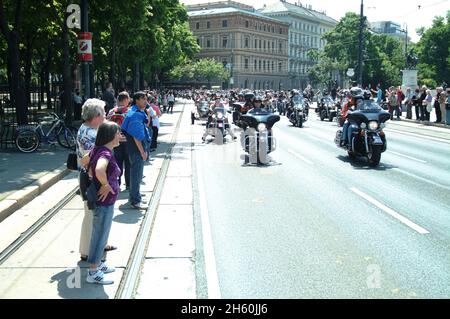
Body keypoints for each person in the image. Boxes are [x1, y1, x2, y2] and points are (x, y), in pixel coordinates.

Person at [76, 99, 115, 262]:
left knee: (92, 215)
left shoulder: (87, 128)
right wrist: (104, 184)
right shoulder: (91, 134)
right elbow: (94, 160)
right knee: (94, 216)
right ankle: (89, 252)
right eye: (104, 113)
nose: (106, 115)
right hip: (94, 180)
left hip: (91, 178)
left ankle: (98, 245)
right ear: (97, 115)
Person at [86, 121, 121, 285]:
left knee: (102, 234)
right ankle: (93, 271)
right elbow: (99, 169)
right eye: (118, 132)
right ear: (110, 136)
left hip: (104, 201)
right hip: (104, 202)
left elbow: (84, 162)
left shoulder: (98, 149)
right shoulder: (105, 154)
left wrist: (94, 177)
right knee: (99, 236)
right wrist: (105, 185)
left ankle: (98, 264)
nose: (120, 135)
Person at [121, 92, 150, 210]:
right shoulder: (136, 115)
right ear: (136, 100)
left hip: (132, 149)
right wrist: (143, 152)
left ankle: (134, 195)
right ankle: (135, 200)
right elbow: (137, 136)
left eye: (146, 99)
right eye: (143, 99)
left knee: (135, 174)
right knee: (136, 174)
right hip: (136, 150)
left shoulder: (135, 112)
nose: (146, 101)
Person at [107, 91, 131, 190]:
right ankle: (129, 184)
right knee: (128, 163)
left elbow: (106, 124)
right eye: (128, 99)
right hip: (127, 140)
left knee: (117, 163)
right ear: (125, 100)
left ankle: (117, 183)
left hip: (115, 141)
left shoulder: (112, 111)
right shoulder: (129, 111)